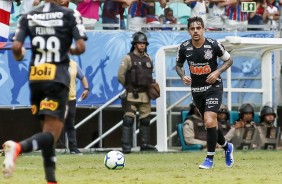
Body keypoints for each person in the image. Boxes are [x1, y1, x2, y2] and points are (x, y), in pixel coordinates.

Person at [3, 0, 87, 183]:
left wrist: (20, 56)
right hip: (57, 78)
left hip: (36, 78)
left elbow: (16, 48)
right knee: (51, 134)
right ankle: (17, 147)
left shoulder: (28, 15)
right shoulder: (71, 14)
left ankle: (51, 180)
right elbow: (81, 47)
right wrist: (66, 50)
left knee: (47, 130)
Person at [176, 16, 234, 169]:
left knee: (209, 120)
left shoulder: (214, 45)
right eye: (192, 28)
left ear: (203, 29)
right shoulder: (183, 47)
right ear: (188, 31)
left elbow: (229, 60)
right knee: (211, 124)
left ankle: (209, 159)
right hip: (196, 90)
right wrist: (183, 76)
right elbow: (178, 65)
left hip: (214, 87)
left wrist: (217, 72)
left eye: (198, 28)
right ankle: (227, 147)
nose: (195, 31)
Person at [117, 31, 157, 153]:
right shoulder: (128, 58)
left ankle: (144, 144)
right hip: (132, 94)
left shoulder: (149, 58)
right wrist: (128, 86)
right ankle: (126, 146)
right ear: (135, 44)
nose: (142, 45)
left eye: (144, 43)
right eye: (140, 43)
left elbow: (150, 74)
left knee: (145, 120)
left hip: (145, 95)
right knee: (128, 119)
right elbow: (120, 75)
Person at [64, 60, 89, 155]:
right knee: (54, 123)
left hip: (71, 99)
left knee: (70, 124)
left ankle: (73, 148)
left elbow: (82, 77)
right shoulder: (53, 62)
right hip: (57, 98)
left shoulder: (73, 64)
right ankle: (49, 148)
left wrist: (86, 89)